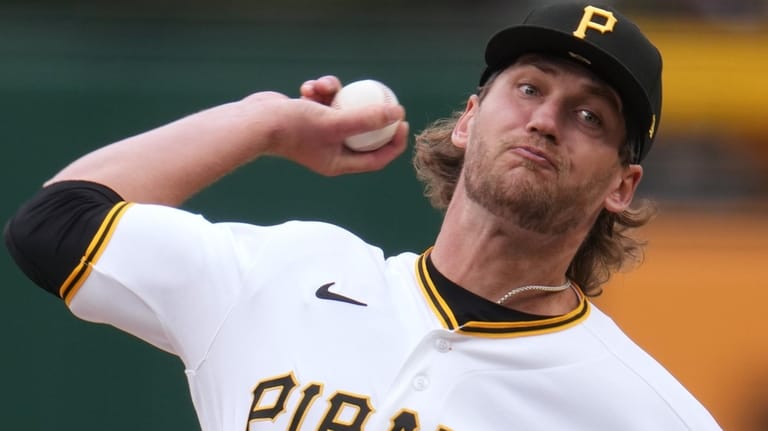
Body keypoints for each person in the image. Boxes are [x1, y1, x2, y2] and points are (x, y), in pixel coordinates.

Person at [4, 2, 721, 430]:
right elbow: (54, 222)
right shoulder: (284, 275)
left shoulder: (643, 410)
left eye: (589, 116)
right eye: (528, 87)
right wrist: (265, 124)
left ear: (621, 187)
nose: (545, 120)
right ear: (470, 119)